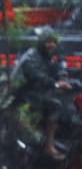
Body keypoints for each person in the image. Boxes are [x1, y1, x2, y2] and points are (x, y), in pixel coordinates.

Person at [12, 28, 74, 160]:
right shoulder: (32, 56)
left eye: (53, 42)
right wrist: (56, 84)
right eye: (48, 42)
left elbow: (56, 69)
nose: (51, 45)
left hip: (36, 91)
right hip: (24, 93)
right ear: (41, 42)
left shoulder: (47, 56)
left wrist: (63, 78)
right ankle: (48, 146)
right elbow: (36, 77)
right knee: (55, 106)